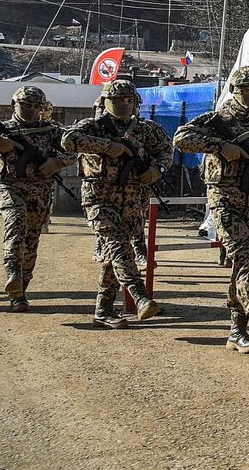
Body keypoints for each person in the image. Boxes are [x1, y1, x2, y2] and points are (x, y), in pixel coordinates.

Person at [174, 66, 249, 354]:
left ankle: (237, 330)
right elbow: (181, 138)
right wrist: (219, 146)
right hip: (226, 197)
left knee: (246, 262)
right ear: (234, 91)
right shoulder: (217, 120)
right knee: (243, 256)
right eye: (248, 91)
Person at [62, 79, 172, 328]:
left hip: (133, 201)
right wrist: (107, 146)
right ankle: (140, 296)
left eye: (129, 100)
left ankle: (104, 310)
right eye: (117, 100)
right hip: (99, 199)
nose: (123, 104)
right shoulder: (93, 126)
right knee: (118, 246)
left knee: (117, 255)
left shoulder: (146, 129)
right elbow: (68, 140)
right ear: (104, 102)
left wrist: (157, 169)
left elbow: (166, 149)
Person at [0, 86, 73, 310]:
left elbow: (75, 149)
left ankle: (20, 291)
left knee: (31, 240)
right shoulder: (1, 129)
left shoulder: (52, 130)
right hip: (9, 185)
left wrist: (57, 162)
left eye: (35, 106)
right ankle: (12, 273)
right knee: (15, 222)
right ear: (14, 105)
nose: (30, 110)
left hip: (40, 189)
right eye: (25, 105)